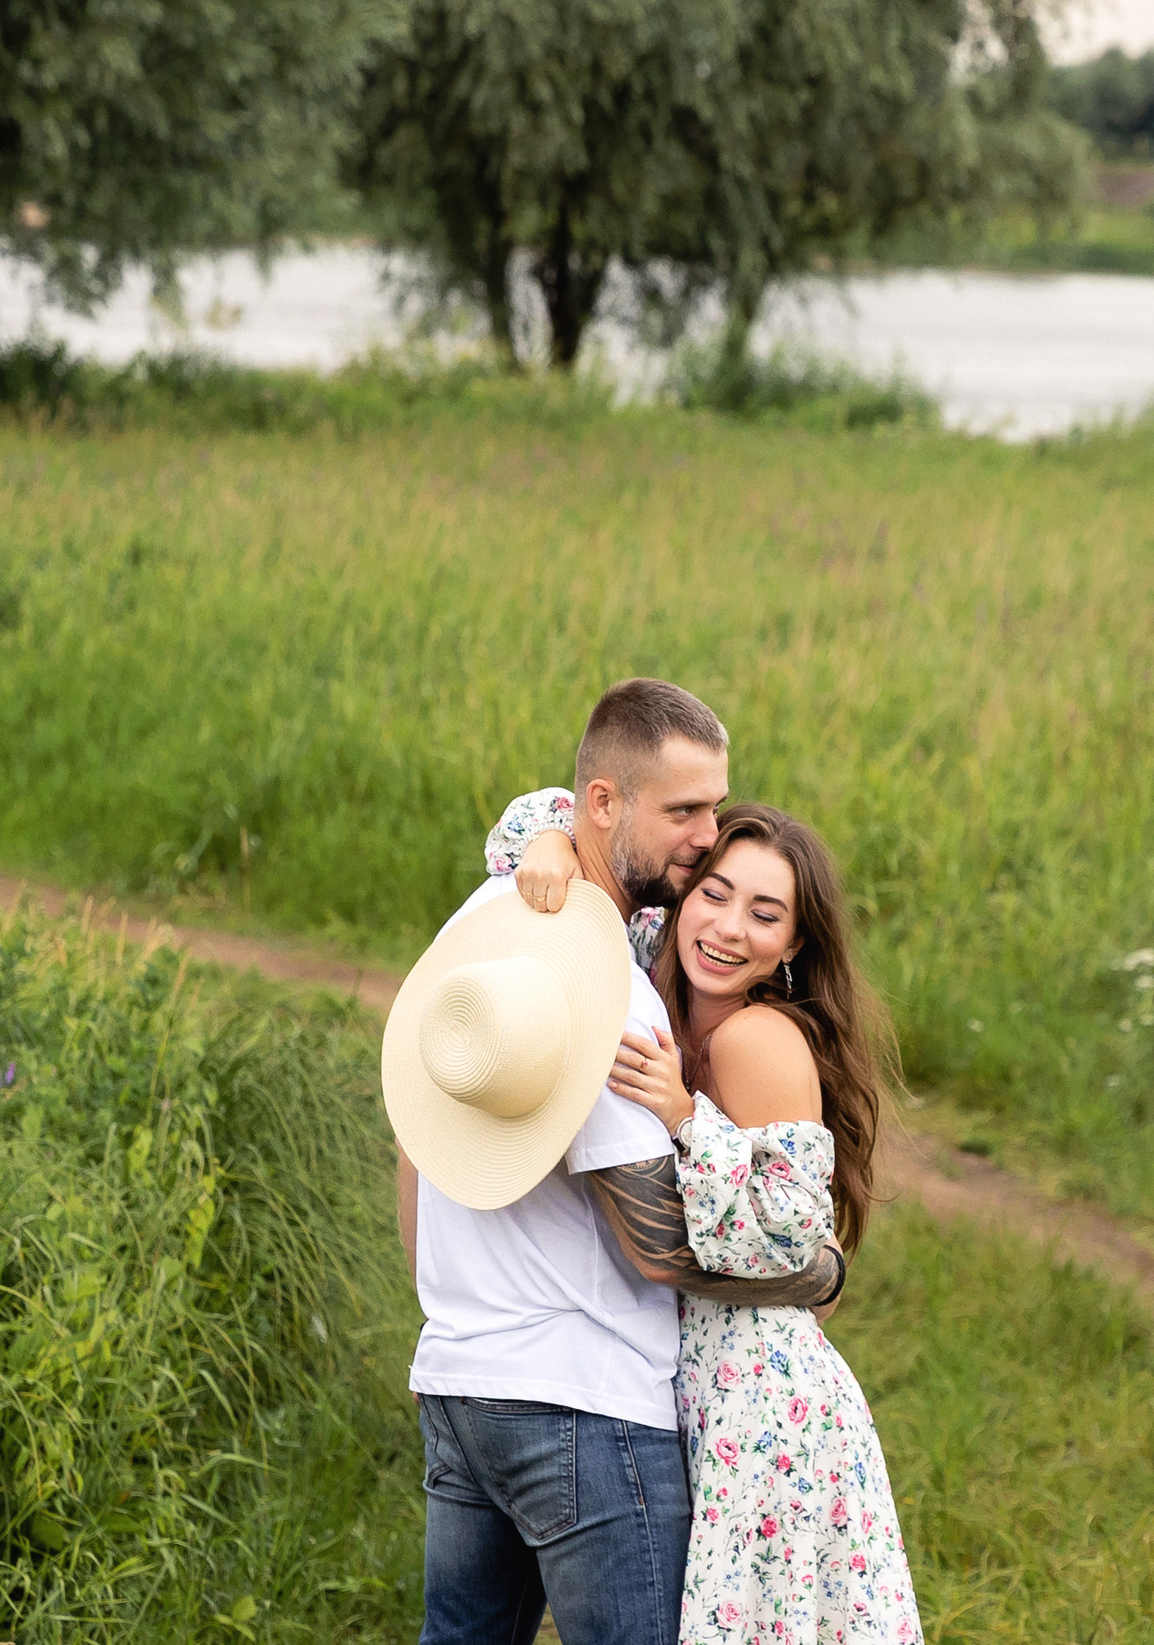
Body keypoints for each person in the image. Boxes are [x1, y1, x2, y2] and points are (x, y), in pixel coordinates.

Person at [392, 679, 847, 1645]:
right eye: (684, 811)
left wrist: (457, 1307)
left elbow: (414, 1144)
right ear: (603, 804)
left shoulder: (478, 925)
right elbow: (651, 1242)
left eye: (714, 806)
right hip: (583, 1408)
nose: (705, 833)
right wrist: (813, 1271)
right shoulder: (608, 994)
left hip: (458, 1378)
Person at [504, 800, 922, 1642]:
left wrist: (689, 1117)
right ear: (681, 898)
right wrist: (551, 840)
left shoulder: (753, 1038)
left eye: (766, 915)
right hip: (695, 1382)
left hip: (759, 1403)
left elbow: (793, 1240)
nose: (729, 929)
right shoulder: (654, 972)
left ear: (794, 946)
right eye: (715, 895)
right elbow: (556, 816)